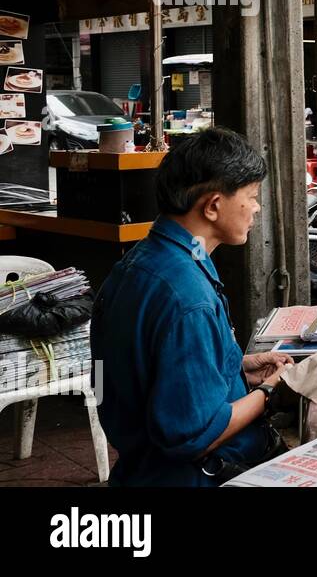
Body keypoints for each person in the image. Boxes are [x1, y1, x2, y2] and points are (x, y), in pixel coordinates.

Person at [90, 128, 293, 486]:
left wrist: (238, 370)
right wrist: (270, 391)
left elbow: (122, 377)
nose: (257, 208)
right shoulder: (188, 298)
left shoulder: (138, 264)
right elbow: (191, 436)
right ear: (214, 206)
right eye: (252, 196)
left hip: (137, 466)